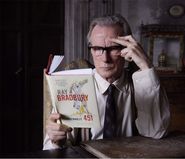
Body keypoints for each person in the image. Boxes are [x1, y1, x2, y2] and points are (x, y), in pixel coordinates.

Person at [43, 14, 170, 150]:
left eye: (114, 48)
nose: (105, 58)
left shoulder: (142, 84)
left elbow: (156, 132)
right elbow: (51, 147)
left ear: (127, 48)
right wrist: (56, 140)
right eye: (97, 49)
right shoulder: (74, 85)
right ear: (91, 50)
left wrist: (145, 66)